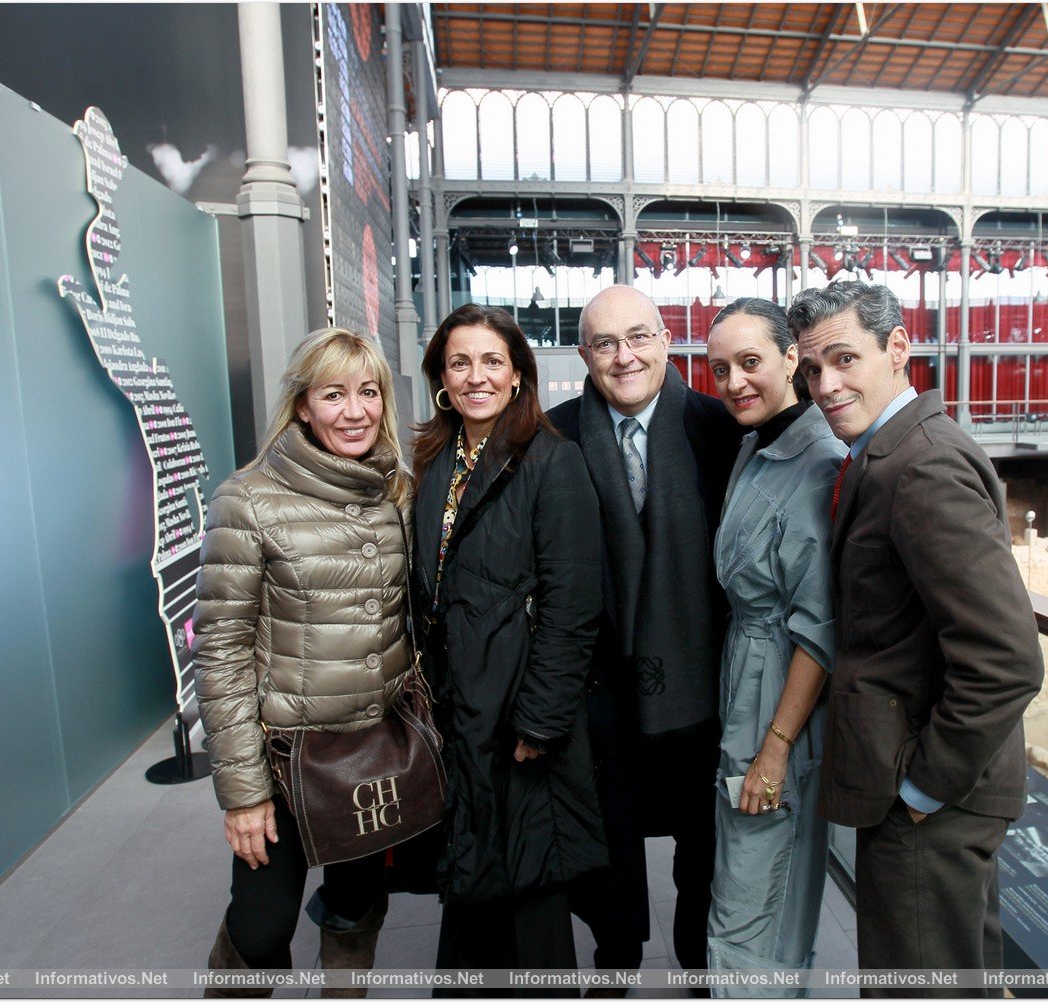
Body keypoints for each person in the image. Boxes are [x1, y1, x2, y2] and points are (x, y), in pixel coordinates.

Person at [790, 281, 1044, 998]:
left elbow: (1007, 657)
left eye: (844, 359)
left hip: (933, 800)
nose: (826, 385)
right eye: (812, 369)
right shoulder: (887, 453)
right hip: (920, 790)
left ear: (898, 349)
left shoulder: (922, 466)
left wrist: (922, 788)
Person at [193, 328, 414, 996]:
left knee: (355, 905)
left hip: (373, 753)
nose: (355, 410)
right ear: (303, 405)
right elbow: (222, 651)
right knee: (261, 928)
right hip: (284, 759)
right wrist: (243, 792)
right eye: (333, 394)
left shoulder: (395, 491)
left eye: (368, 392)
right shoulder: (249, 498)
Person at [546, 285, 743, 982]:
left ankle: (700, 972)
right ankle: (615, 965)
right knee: (608, 863)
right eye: (605, 343)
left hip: (706, 694)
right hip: (600, 702)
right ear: (585, 356)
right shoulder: (554, 436)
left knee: (706, 864)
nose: (624, 356)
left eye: (638, 337)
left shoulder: (721, 429)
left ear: (665, 341)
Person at [409, 304, 606, 979]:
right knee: (471, 881)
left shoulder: (552, 461)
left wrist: (543, 719)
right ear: (441, 374)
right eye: (460, 362)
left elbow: (573, 604)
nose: (476, 376)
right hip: (459, 710)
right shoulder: (433, 459)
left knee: (531, 892)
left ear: (519, 374)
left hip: (522, 715)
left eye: (492, 360)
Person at [703, 299, 843, 991]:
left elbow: (820, 629)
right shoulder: (757, 446)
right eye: (720, 368)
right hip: (748, 681)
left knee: (757, 906)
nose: (733, 382)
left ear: (793, 358)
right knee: (745, 887)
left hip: (779, 700)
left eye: (749, 362)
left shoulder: (817, 463)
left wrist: (776, 746)